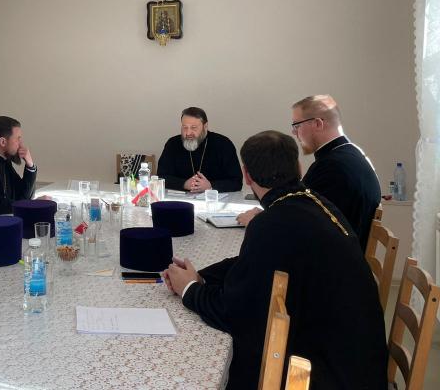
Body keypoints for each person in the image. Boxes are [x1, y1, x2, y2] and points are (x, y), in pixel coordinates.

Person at [164, 130, 387, 389]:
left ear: (247, 176)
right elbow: (250, 263)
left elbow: (235, 313)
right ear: (299, 167)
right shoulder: (312, 202)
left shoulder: (272, 223)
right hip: (357, 357)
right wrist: (202, 276)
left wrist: (190, 289)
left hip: (326, 373)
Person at [239, 95, 381, 249]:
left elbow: (300, 223)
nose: (294, 132)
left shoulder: (332, 167)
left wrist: (256, 222)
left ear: (318, 123)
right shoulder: (349, 154)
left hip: (333, 257)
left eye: (297, 125)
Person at [157, 107, 242, 192]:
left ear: (205, 126)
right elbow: (161, 177)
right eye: (185, 127)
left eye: (193, 127)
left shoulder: (223, 144)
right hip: (180, 198)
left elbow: (236, 182)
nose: (188, 133)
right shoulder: (173, 144)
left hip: (214, 198)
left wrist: (211, 186)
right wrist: (184, 184)